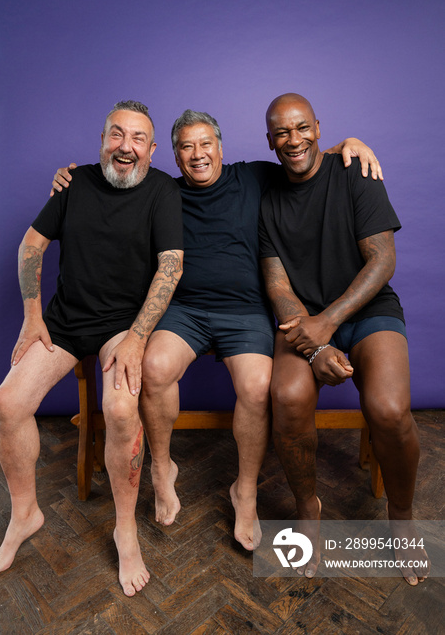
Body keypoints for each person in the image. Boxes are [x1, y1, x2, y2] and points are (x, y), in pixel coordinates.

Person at [51, 108, 382, 553]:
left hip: (245, 311)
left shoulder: (255, 177)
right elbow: (109, 178)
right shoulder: (161, 190)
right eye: (186, 146)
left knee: (258, 384)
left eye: (206, 143)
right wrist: (69, 177)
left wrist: (350, 144)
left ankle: (244, 490)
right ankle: (162, 467)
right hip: (184, 310)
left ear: (221, 148)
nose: (197, 154)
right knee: (154, 366)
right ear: (172, 155)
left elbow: (306, 156)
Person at [0, 101, 184, 596]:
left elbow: (171, 266)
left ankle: (125, 529)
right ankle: (26, 513)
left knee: (119, 409)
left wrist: (137, 337)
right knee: (7, 403)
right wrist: (32, 316)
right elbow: (32, 245)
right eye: (117, 134)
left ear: (151, 150)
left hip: (123, 326)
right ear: (102, 140)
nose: (126, 146)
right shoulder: (74, 184)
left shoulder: (162, 190)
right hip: (66, 322)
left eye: (138, 138)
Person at [259, 92, 429, 585]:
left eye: (302, 128)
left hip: (365, 310)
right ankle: (308, 512)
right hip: (304, 322)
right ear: (270, 141)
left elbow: (382, 260)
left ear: (318, 127)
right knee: (287, 397)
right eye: (282, 133)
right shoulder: (266, 200)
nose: (294, 140)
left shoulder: (354, 171)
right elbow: (276, 285)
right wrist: (314, 344)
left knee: (390, 411)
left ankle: (402, 518)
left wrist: (329, 324)